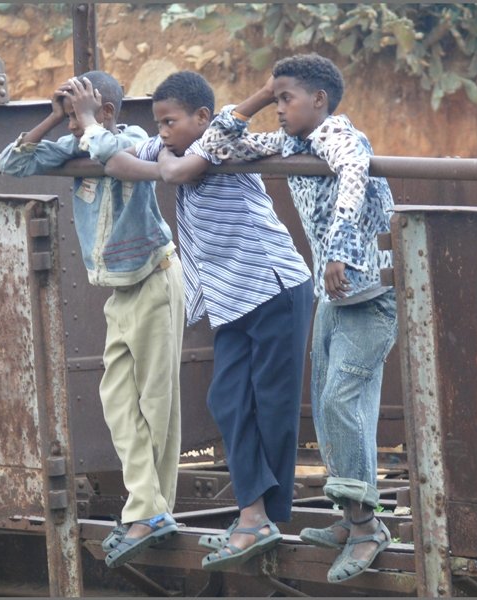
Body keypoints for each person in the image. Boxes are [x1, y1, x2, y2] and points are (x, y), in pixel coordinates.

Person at [104, 70, 314, 571]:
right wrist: (155, 155)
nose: (161, 132)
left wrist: (266, 91)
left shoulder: (223, 136)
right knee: (227, 399)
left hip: (274, 287)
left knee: (273, 405)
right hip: (230, 299)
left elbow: (185, 166)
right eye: (158, 124)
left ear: (201, 117)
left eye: (170, 122)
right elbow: (116, 161)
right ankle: (254, 514)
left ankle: (257, 517)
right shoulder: (170, 149)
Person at [202, 53, 397, 583]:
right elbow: (216, 147)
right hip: (336, 297)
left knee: (340, 401)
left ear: (320, 101)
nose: (279, 108)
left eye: (287, 98)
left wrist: (337, 251)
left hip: (370, 291)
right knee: (332, 403)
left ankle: (366, 530)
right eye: (276, 98)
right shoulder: (293, 143)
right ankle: (351, 517)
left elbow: (355, 170)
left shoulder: (337, 134)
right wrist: (261, 97)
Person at [0, 71, 184, 569]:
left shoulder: (133, 141)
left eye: (85, 104)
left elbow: (115, 155)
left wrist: (86, 120)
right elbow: (12, 164)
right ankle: (150, 508)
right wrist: (56, 117)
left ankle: (150, 511)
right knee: (119, 401)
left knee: (157, 402)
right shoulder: (75, 145)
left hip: (154, 280)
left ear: (106, 111)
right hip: (119, 294)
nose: (75, 115)